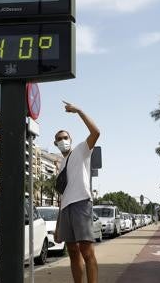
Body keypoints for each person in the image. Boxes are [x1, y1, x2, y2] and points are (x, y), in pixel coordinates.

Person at [54, 101, 100, 283]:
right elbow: (62, 196)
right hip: (66, 209)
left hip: (81, 203)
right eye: (59, 139)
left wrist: (79, 111)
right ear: (55, 143)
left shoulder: (81, 150)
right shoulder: (60, 164)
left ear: (70, 140)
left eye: (65, 137)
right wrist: (58, 226)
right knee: (72, 252)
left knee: (86, 251)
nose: (63, 140)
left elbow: (96, 132)